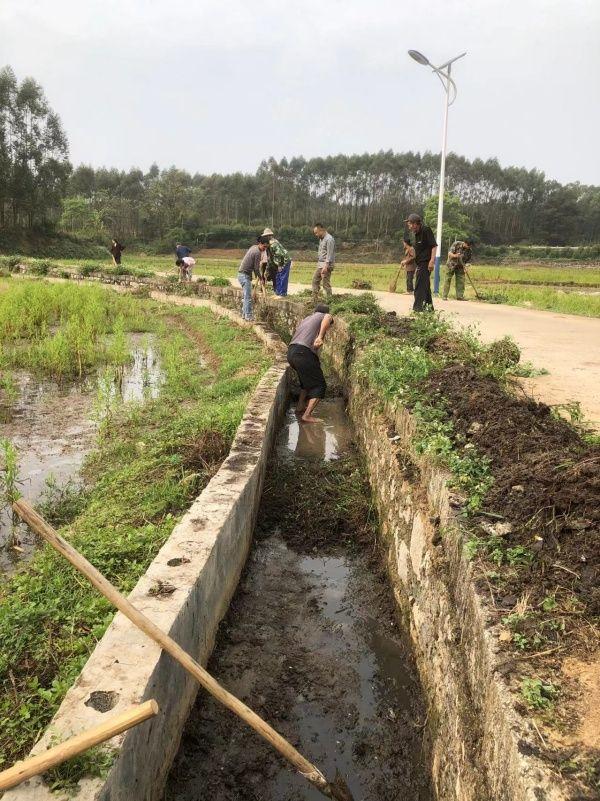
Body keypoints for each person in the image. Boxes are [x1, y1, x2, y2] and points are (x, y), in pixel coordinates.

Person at [287, 304, 333, 423]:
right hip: (303, 353)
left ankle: (300, 407)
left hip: (291, 352)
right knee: (320, 385)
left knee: (305, 381)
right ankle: (307, 415)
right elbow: (328, 318)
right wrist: (321, 336)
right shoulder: (324, 316)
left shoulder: (307, 319)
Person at [404, 213, 437, 312]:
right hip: (420, 262)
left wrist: (432, 261)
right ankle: (429, 309)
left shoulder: (426, 230)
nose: (409, 226)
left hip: (425, 263)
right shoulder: (416, 234)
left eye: (410, 224)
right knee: (425, 286)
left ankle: (418, 309)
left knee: (419, 286)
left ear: (415, 224)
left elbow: (434, 246)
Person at [237, 236, 269, 321]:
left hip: (241, 275)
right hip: (244, 276)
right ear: (260, 244)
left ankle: (244, 315)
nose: (265, 249)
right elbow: (256, 268)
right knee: (248, 297)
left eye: (266, 247)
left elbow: (254, 267)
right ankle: (249, 316)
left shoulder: (253, 247)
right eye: (264, 246)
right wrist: (261, 278)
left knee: (246, 296)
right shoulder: (257, 252)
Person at [262, 227, 292, 297]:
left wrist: (279, 265)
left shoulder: (273, 244)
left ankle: (282, 294)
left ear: (269, 236)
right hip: (279, 262)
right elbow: (269, 260)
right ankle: (277, 293)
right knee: (277, 276)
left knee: (283, 276)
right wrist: (266, 271)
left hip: (284, 261)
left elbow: (278, 254)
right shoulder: (268, 246)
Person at [312, 223, 335, 302]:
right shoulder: (321, 239)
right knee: (315, 280)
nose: (316, 235)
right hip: (320, 264)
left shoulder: (329, 239)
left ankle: (330, 300)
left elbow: (329, 254)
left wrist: (326, 266)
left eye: (316, 232)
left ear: (321, 230)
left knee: (325, 283)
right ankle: (315, 300)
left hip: (326, 265)